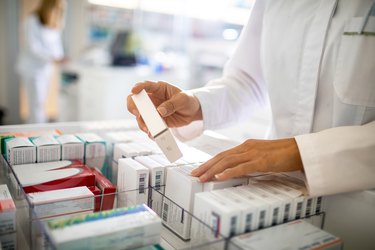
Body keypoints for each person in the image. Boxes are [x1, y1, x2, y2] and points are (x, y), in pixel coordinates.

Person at [127, 0, 375, 197]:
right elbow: (248, 81)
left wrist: (302, 151)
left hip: (360, 201)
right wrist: (196, 105)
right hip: (272, 187)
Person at [17, 0, 67, 124]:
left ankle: (39, 130)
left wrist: (60, 57)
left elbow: (56, 45)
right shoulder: (32, 20)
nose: (59, 11)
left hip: (46, 68)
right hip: (32, 68)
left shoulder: (54, 23)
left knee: (41, 102)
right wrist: (52, 58)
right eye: (57, 8)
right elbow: (32, 47)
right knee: (36, 103)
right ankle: (36, 132)